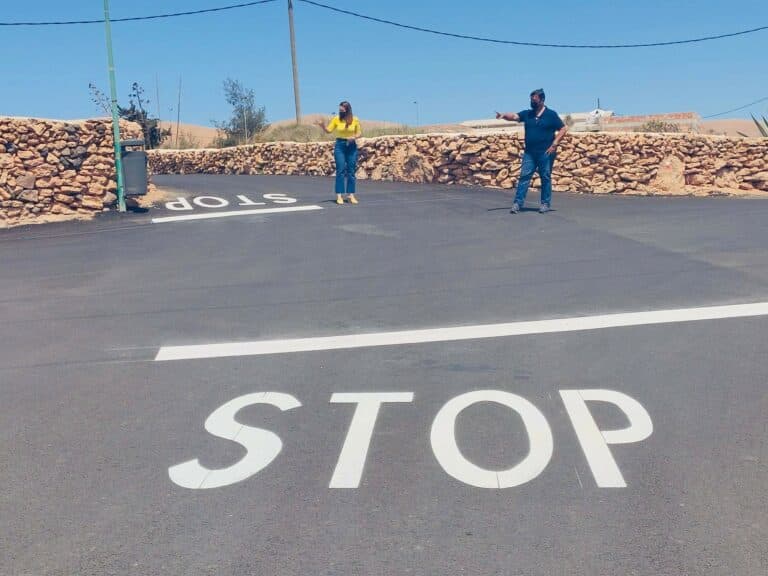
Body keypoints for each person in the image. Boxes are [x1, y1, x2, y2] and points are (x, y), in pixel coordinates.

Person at [496, 89, 568, 213]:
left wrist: (555, 144)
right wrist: (503, 116)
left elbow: (563, 129)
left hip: (545, 153)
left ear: (542, 100)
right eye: (531, 99)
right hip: (529, 153)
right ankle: (517, 203)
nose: (532, 102)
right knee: (524, 177)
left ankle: (545, 204)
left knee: (545, 177)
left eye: (534, 99)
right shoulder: (527, 114)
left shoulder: (551, 115)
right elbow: (514, 116)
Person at [318, 101, 362, 205]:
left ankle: (351, 195)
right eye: (340, 109)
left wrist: (354, 137)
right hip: (340, 145)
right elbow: (329, 130)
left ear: (347, 109)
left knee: (351, 171)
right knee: (340, 170)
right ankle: (339, 195)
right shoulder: (336, 119)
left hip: (351, 145)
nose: (340, 110)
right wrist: (322, 125)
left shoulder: (355, 119)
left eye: (342, 109)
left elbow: (359, 132)